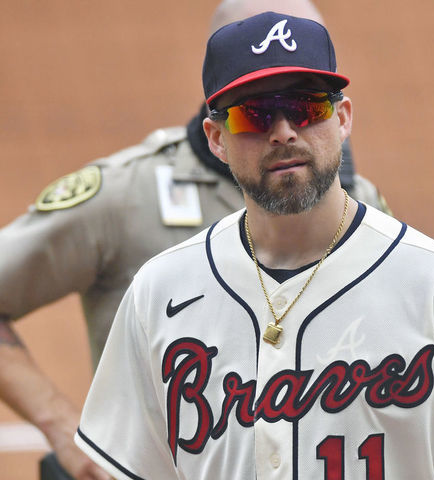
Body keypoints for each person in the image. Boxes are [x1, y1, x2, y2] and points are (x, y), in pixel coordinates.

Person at [75, 11, 434, 480]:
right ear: (216, 139)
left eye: (306, 107)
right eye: (254, 114)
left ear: (342, 118)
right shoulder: (159, 292)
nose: (283, 131)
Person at [0, 1, 389, 479]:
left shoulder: (356, 203)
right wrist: (64, 429)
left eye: (309, 98)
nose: (286, 129)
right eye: (258, 110)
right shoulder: (127, 195)